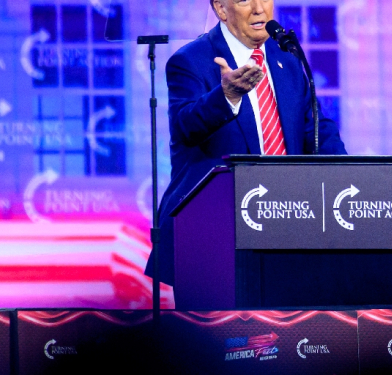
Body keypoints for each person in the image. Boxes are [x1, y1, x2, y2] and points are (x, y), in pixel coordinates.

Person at [144, 0, 347, 287]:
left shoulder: (286, 58)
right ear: (221, 9)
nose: (258, 8)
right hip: (214, 237)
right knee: (227, 333)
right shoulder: (191, 61)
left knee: (288, 329)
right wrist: (227, 95)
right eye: (243, 0)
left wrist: (350, 173)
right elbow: (184, 127)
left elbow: (316, 130)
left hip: (290, 226)